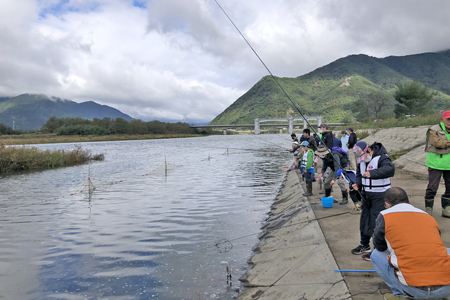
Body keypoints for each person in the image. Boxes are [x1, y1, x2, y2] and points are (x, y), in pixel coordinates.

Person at [371, 187, 450, 300]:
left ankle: (401, 295)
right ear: (409, 202)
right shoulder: (427, 216)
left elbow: (379, 246)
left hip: (414, 290)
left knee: (375, 254)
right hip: (446, 288)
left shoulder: (385, 215)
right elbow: (436, 241)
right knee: (445, 250)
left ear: (387, 204)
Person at [351, 141, 395, 261]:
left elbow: (390, 169)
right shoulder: (361, 160)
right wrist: (358, 184)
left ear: (369, 150)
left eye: (363, 156)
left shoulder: (382, 157)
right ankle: (364, 245)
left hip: (381, 195)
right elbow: (359, 175)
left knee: (377, 222)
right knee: (364, 220)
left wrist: (372, 173)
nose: (362, 159)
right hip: (366, 194)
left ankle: (377, 250)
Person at [424, 110, 450, 217]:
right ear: (442, 120)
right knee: (432, 188)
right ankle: (428, 209)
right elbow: (437, 143)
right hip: (436, 164)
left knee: (449, 188)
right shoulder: (433, 130)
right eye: (448, 119)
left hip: (449, 165)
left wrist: (446, 143)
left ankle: (446, 208)